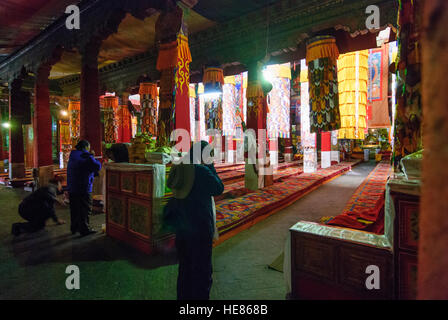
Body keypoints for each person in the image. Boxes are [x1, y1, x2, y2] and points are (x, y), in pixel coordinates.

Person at [165, 140, 224, 300]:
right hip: (199, 227)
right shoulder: (200, 171)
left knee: (185, 270)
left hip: (181, 228)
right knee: (202, 272)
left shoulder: (179, 167)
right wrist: (210, 166)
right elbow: (218, 188)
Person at [67, 140, 101, 236]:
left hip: (72, 187)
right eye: (88, 147)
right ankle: (84, 229)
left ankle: (74, 227)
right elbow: (97, 166)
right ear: (85, 147)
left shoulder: (73, 155)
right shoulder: (84, 155)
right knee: (85, 209)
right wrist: (92, 156)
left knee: (74, 209)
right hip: (83, 187)